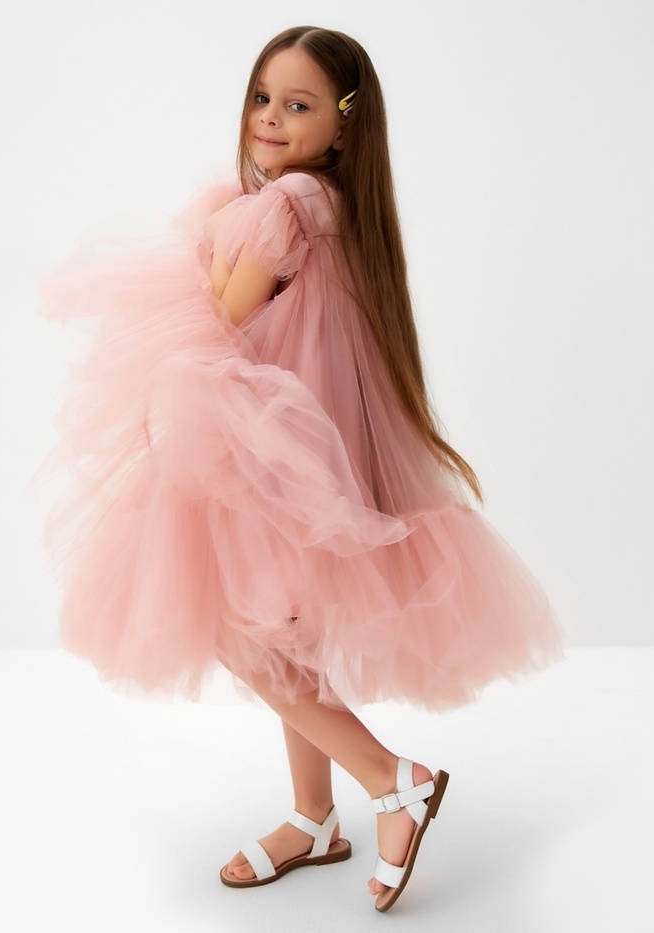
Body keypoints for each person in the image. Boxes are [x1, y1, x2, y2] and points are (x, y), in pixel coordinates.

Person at [40, 26, 563, 913]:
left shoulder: (283, 203)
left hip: (274, 453)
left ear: (345, 122)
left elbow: (220, 317)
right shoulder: (336, 202)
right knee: (287, 629)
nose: (272, 118)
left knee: (241, 630)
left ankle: (391, 779)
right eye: (263, 98)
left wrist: (212, 247)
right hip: (309, 448)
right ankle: (315, 816)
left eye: (299, 104)